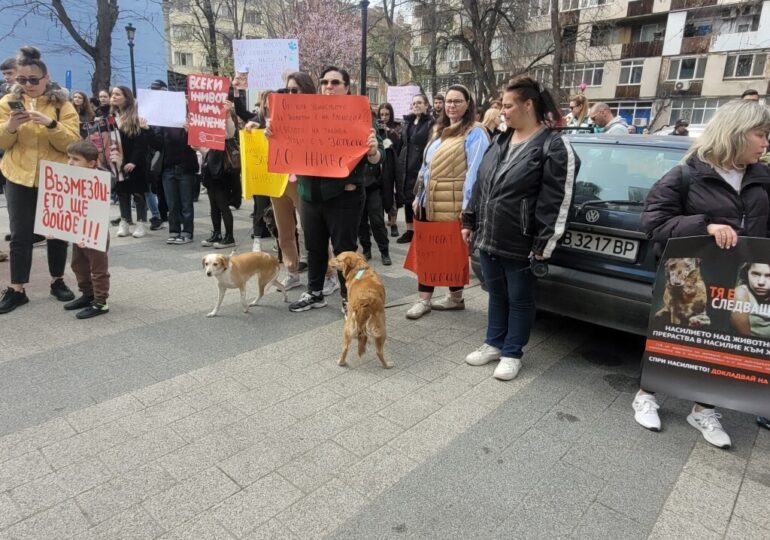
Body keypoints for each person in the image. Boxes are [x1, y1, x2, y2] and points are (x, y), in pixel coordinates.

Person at [635, 99, 770, 449]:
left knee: (721, 344)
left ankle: (703, 410)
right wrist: (706, 226)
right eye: (762, 134)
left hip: (738, 282)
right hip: (688, 280)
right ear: (737, 133)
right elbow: (654, 222)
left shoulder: (763, 179)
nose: (766, 143)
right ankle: (647, 396)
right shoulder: (688, 174)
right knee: (672, 337)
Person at [461, 77, 578, 381]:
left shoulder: (553, 145)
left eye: (508, 105)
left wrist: (543, 245)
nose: (502, 111)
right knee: (496, 294)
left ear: (529, 105)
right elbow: (481, 184)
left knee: (520, 298)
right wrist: (470, 220)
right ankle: (493, 343)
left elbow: (557, 200)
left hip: (522, 240)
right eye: (501, 105)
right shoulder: (500, 140)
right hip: (489, 235)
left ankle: (512, 352)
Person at [286, 66, 384, 315]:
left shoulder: (360, 114)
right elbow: (288, 143)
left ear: (346, 87)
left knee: (345, 251)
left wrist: (373, 151)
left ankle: (346, 296)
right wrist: (273, 135)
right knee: (314, 247)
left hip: (344, 196)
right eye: (325, 82)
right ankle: (315, 292)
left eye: (335, 82)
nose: (329, 86)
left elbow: (376, 157)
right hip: (310, 194)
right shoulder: (305, 113)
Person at [0, 46, 80, 314]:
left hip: (55, 175)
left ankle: (57, 281)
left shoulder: (62, 104)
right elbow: (2, 141)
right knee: (20, 235)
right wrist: (11, 126)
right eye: (21, 80)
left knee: (57, 232)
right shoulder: (6, 103)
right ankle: (17, 288)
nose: (28, 85)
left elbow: (73, 143)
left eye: (34, 79)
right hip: (18, 175)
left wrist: (51, 124)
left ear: (46, 78)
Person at [405, 84, 490, 320]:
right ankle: (424, 301)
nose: (452, 105)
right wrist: (417, 196)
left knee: (451, 254)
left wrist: (468, 208)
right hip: (429, 201)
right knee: (428, 251)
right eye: (449, 101)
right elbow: (426, 168)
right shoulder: (439, 129)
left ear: (468, 103)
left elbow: (475, 172)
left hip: (454, 204)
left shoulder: (475, 132)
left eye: (457, 101)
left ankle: (455, 298)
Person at [63, 140, 114, 318]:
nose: (70, 162)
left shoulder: (101, 179)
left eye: (76, 159)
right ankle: (88, 294)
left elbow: (109, 184)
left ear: (91, 163)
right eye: (69, 158)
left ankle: (101, 302)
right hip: (78, 229)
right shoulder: (69, 177)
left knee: (98, 267)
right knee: (78, 264)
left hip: (95, 230)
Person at [731, 262, 770, 431]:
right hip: (753, 353)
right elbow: (746, 339)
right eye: (756, 274)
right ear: (747, 273)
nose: (761, 282)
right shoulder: (742, 292)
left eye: (769, 276)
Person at [359, 103, 398, 266]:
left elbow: (384, 152)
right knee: (360, 222)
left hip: (374, 185)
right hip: (358, 186)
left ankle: (384, 251)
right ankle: (366, 250)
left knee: (377, 221)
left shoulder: (376, 129)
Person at [110, 86, 151, 239]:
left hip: (134, 163)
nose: (113, 97)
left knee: (138, 194)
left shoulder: (135, 116)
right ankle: (125, 221)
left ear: (126, 97)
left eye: (117, 94)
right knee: (122, 193)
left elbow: (140, 142)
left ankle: (141, 223)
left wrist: (133, 161)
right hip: (117, 162)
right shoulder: (111, 116)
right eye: (112, 94)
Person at [200, 99, 238, 249]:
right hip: (210, 166)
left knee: (222, 204)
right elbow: (203, 148)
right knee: (213, 205)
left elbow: (230, 134)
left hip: (222, 168)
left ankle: (229, 236)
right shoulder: (205, 121)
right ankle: (217, 233)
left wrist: (227, 114)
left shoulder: (227, 118)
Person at [395, 94, 433, 244]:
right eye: (414, 103)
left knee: (419, 199)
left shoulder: (431, 123)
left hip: (419, 165)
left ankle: (421, 231)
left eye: (419, 103)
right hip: (405, 165)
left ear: (426, 105)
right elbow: (403, 143)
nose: (416, 105)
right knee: (407, 199)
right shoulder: (408, 122)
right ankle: (409, 230)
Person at [375, 102, 402, 238]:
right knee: (379, 194)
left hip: (390, 165)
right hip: (378, 165)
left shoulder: (396, 127)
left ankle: (393, 222)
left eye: (386, 114)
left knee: (391, 192)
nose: (384, 117)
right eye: (381, 114)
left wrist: (388, 131)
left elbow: (398, 142)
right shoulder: (375, 127)